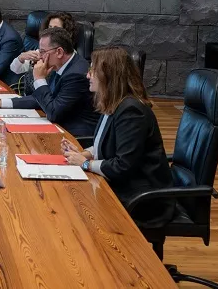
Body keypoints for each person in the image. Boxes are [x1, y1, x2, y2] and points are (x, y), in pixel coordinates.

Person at [61, 46, 175, 228]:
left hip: (142, 199)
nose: (88, 75)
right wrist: (84, 153)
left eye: (93, 70)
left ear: (109, 76)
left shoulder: (131, 111)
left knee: (74, 209)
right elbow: (108, 143)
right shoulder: (113, 103)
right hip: (124, 187)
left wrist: (84, 164)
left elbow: (123, 166)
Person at [0, 28, 99, 137]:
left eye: (43, 52)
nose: (39, 57)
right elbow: (40, 98)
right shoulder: (60, 64)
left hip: (74, 136)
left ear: (59, 52)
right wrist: (1, 103)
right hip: (59, 126)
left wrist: (39, 79)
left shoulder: (75, 74)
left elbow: (54, 113)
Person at [12, 11, 79, 76]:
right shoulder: (41, 51)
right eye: (50, 27)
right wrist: (21, 58)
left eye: (56, 28)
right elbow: (14, 69)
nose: (51, 31)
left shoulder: (69, 55)